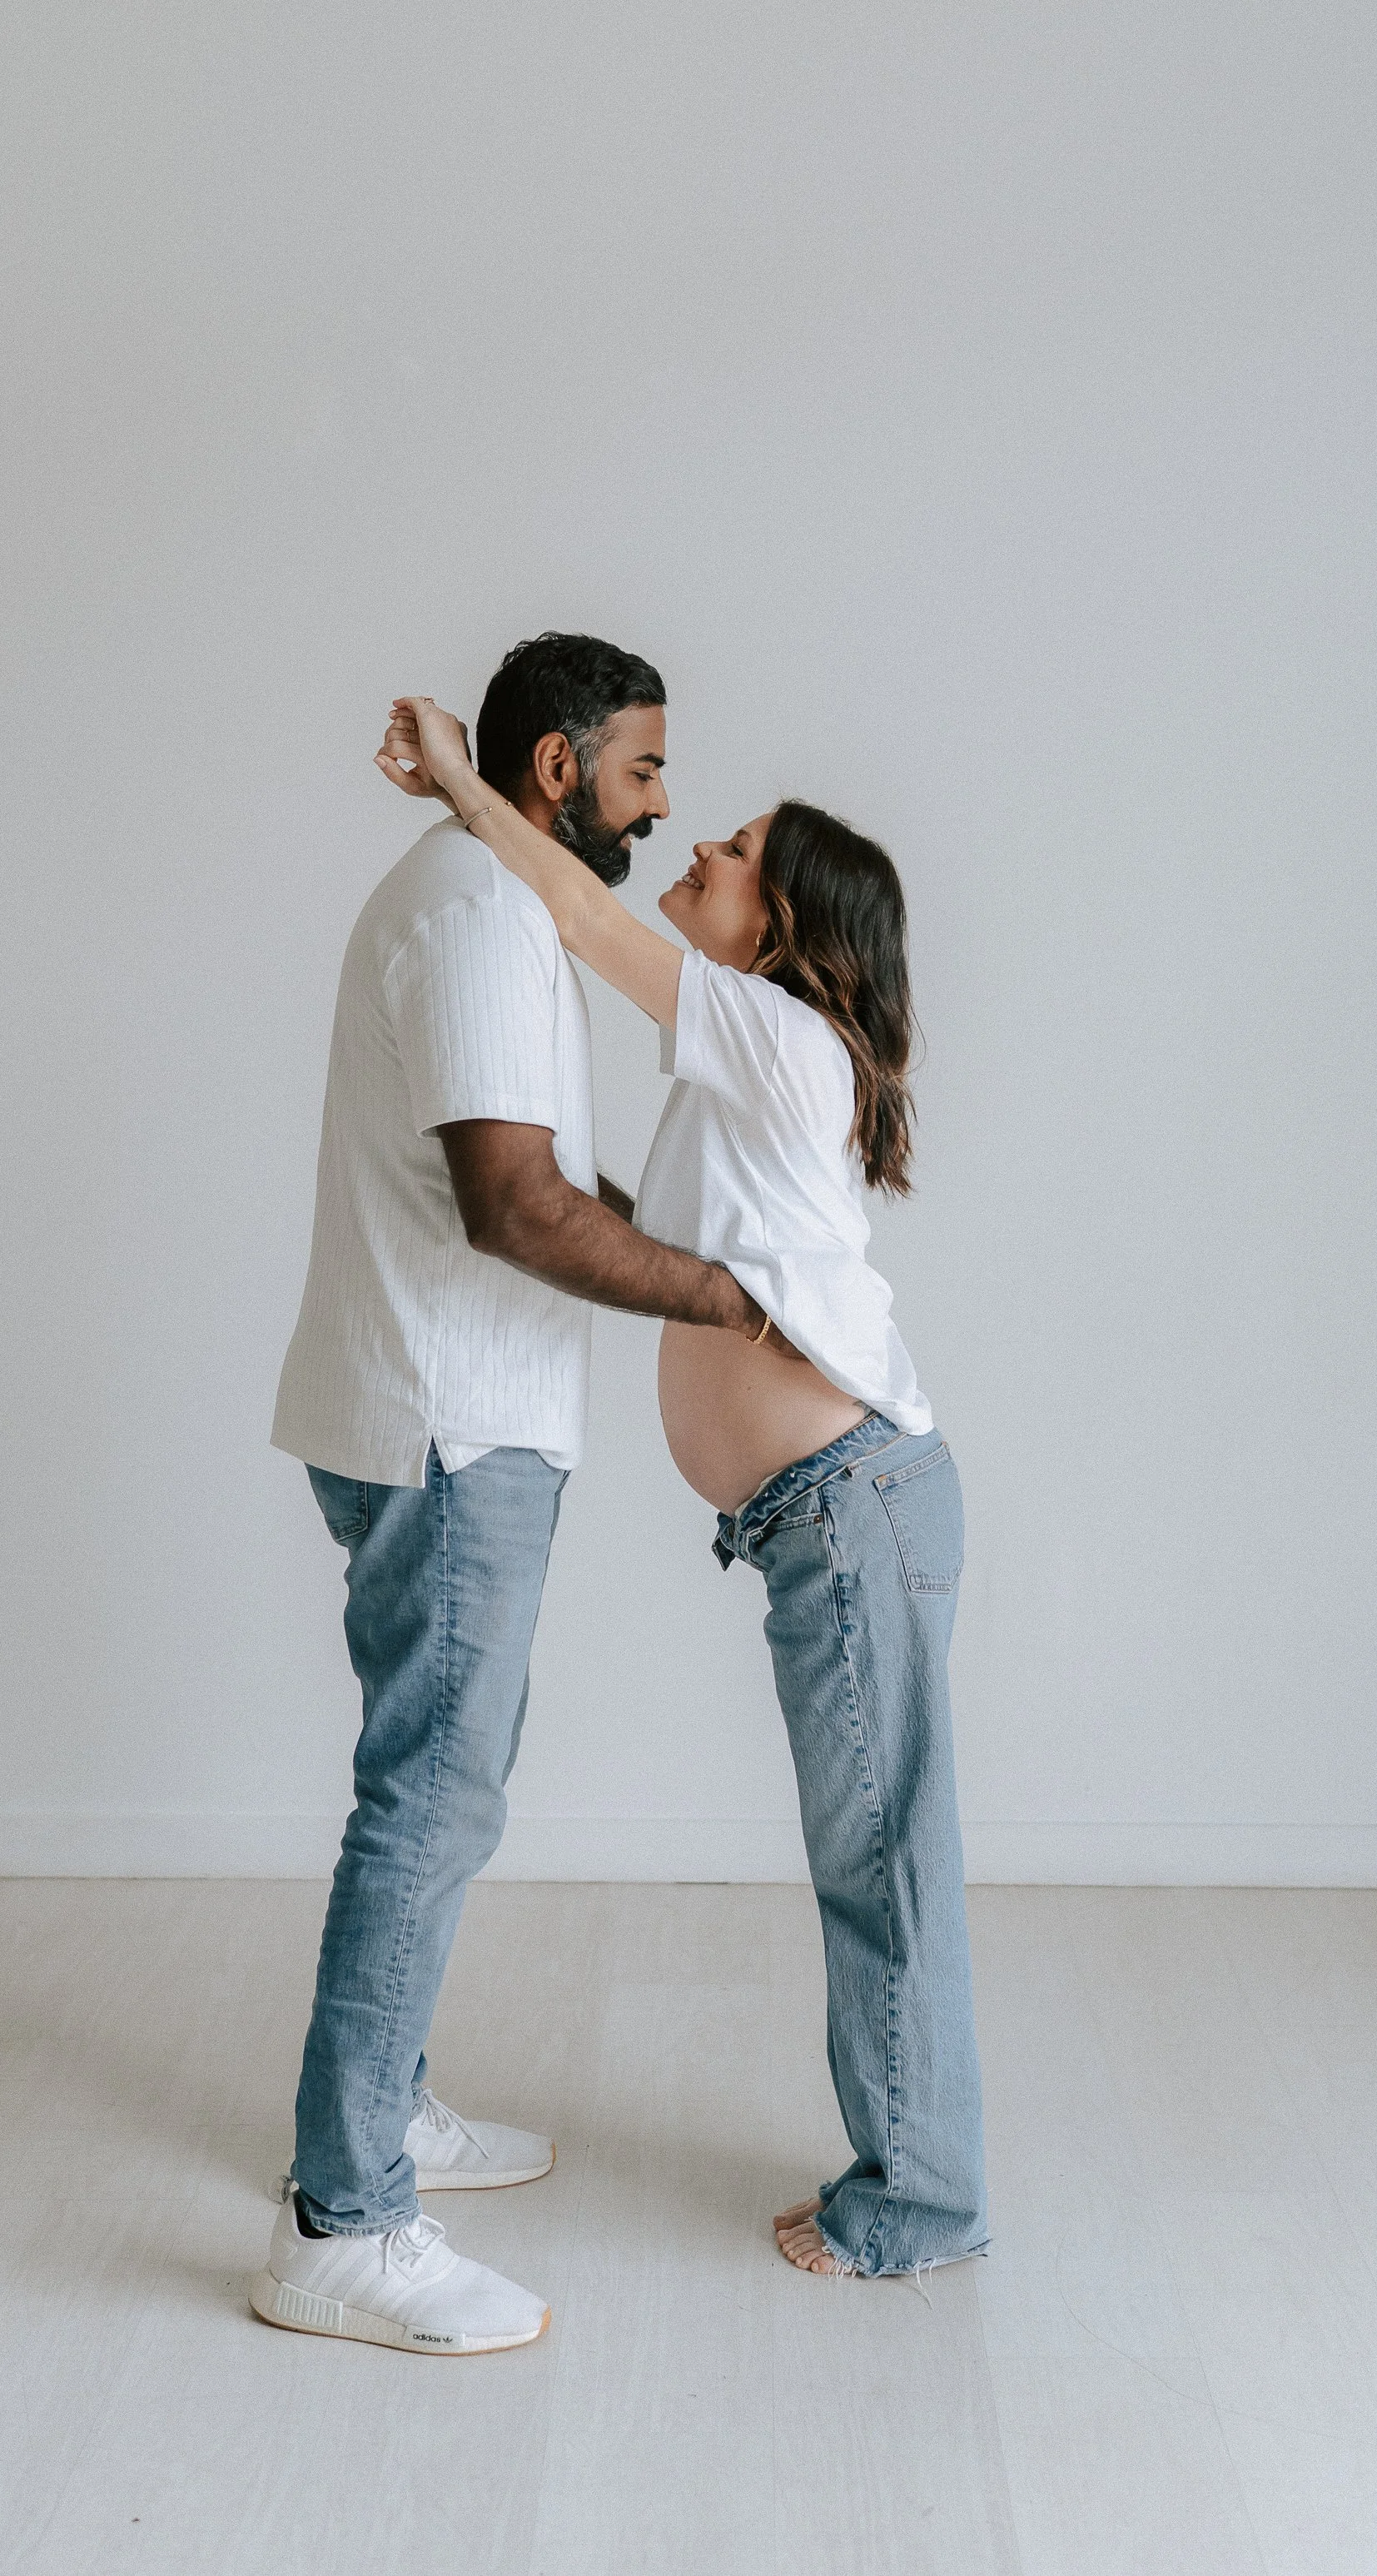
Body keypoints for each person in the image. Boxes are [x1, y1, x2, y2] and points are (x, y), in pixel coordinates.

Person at [380, 691, 987, 2280]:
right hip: (832, 1522)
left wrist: (460, 780)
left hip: (851, 1511)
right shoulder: (753, 1066)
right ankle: (912, 2173)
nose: (699, 844)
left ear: (779, 928)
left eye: (733, 854)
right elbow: (696, 1238)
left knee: (883, 1864)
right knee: (874, 1854)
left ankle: (917, 2200)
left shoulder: (768, 1027)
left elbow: (576, 910)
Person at [255, 633, 773, 2357]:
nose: (661, 800)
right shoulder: (478, 916)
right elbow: (517, 1209)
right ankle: (345, 2222)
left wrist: (687, 1241)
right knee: (426, 1803)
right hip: (446, 1428)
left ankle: (383, 2115)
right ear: (555, 770)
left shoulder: (490, 899)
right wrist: (725, 1299)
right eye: (641, 770)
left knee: (442, 1796)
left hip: (438, 1415)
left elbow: (548, 1168)